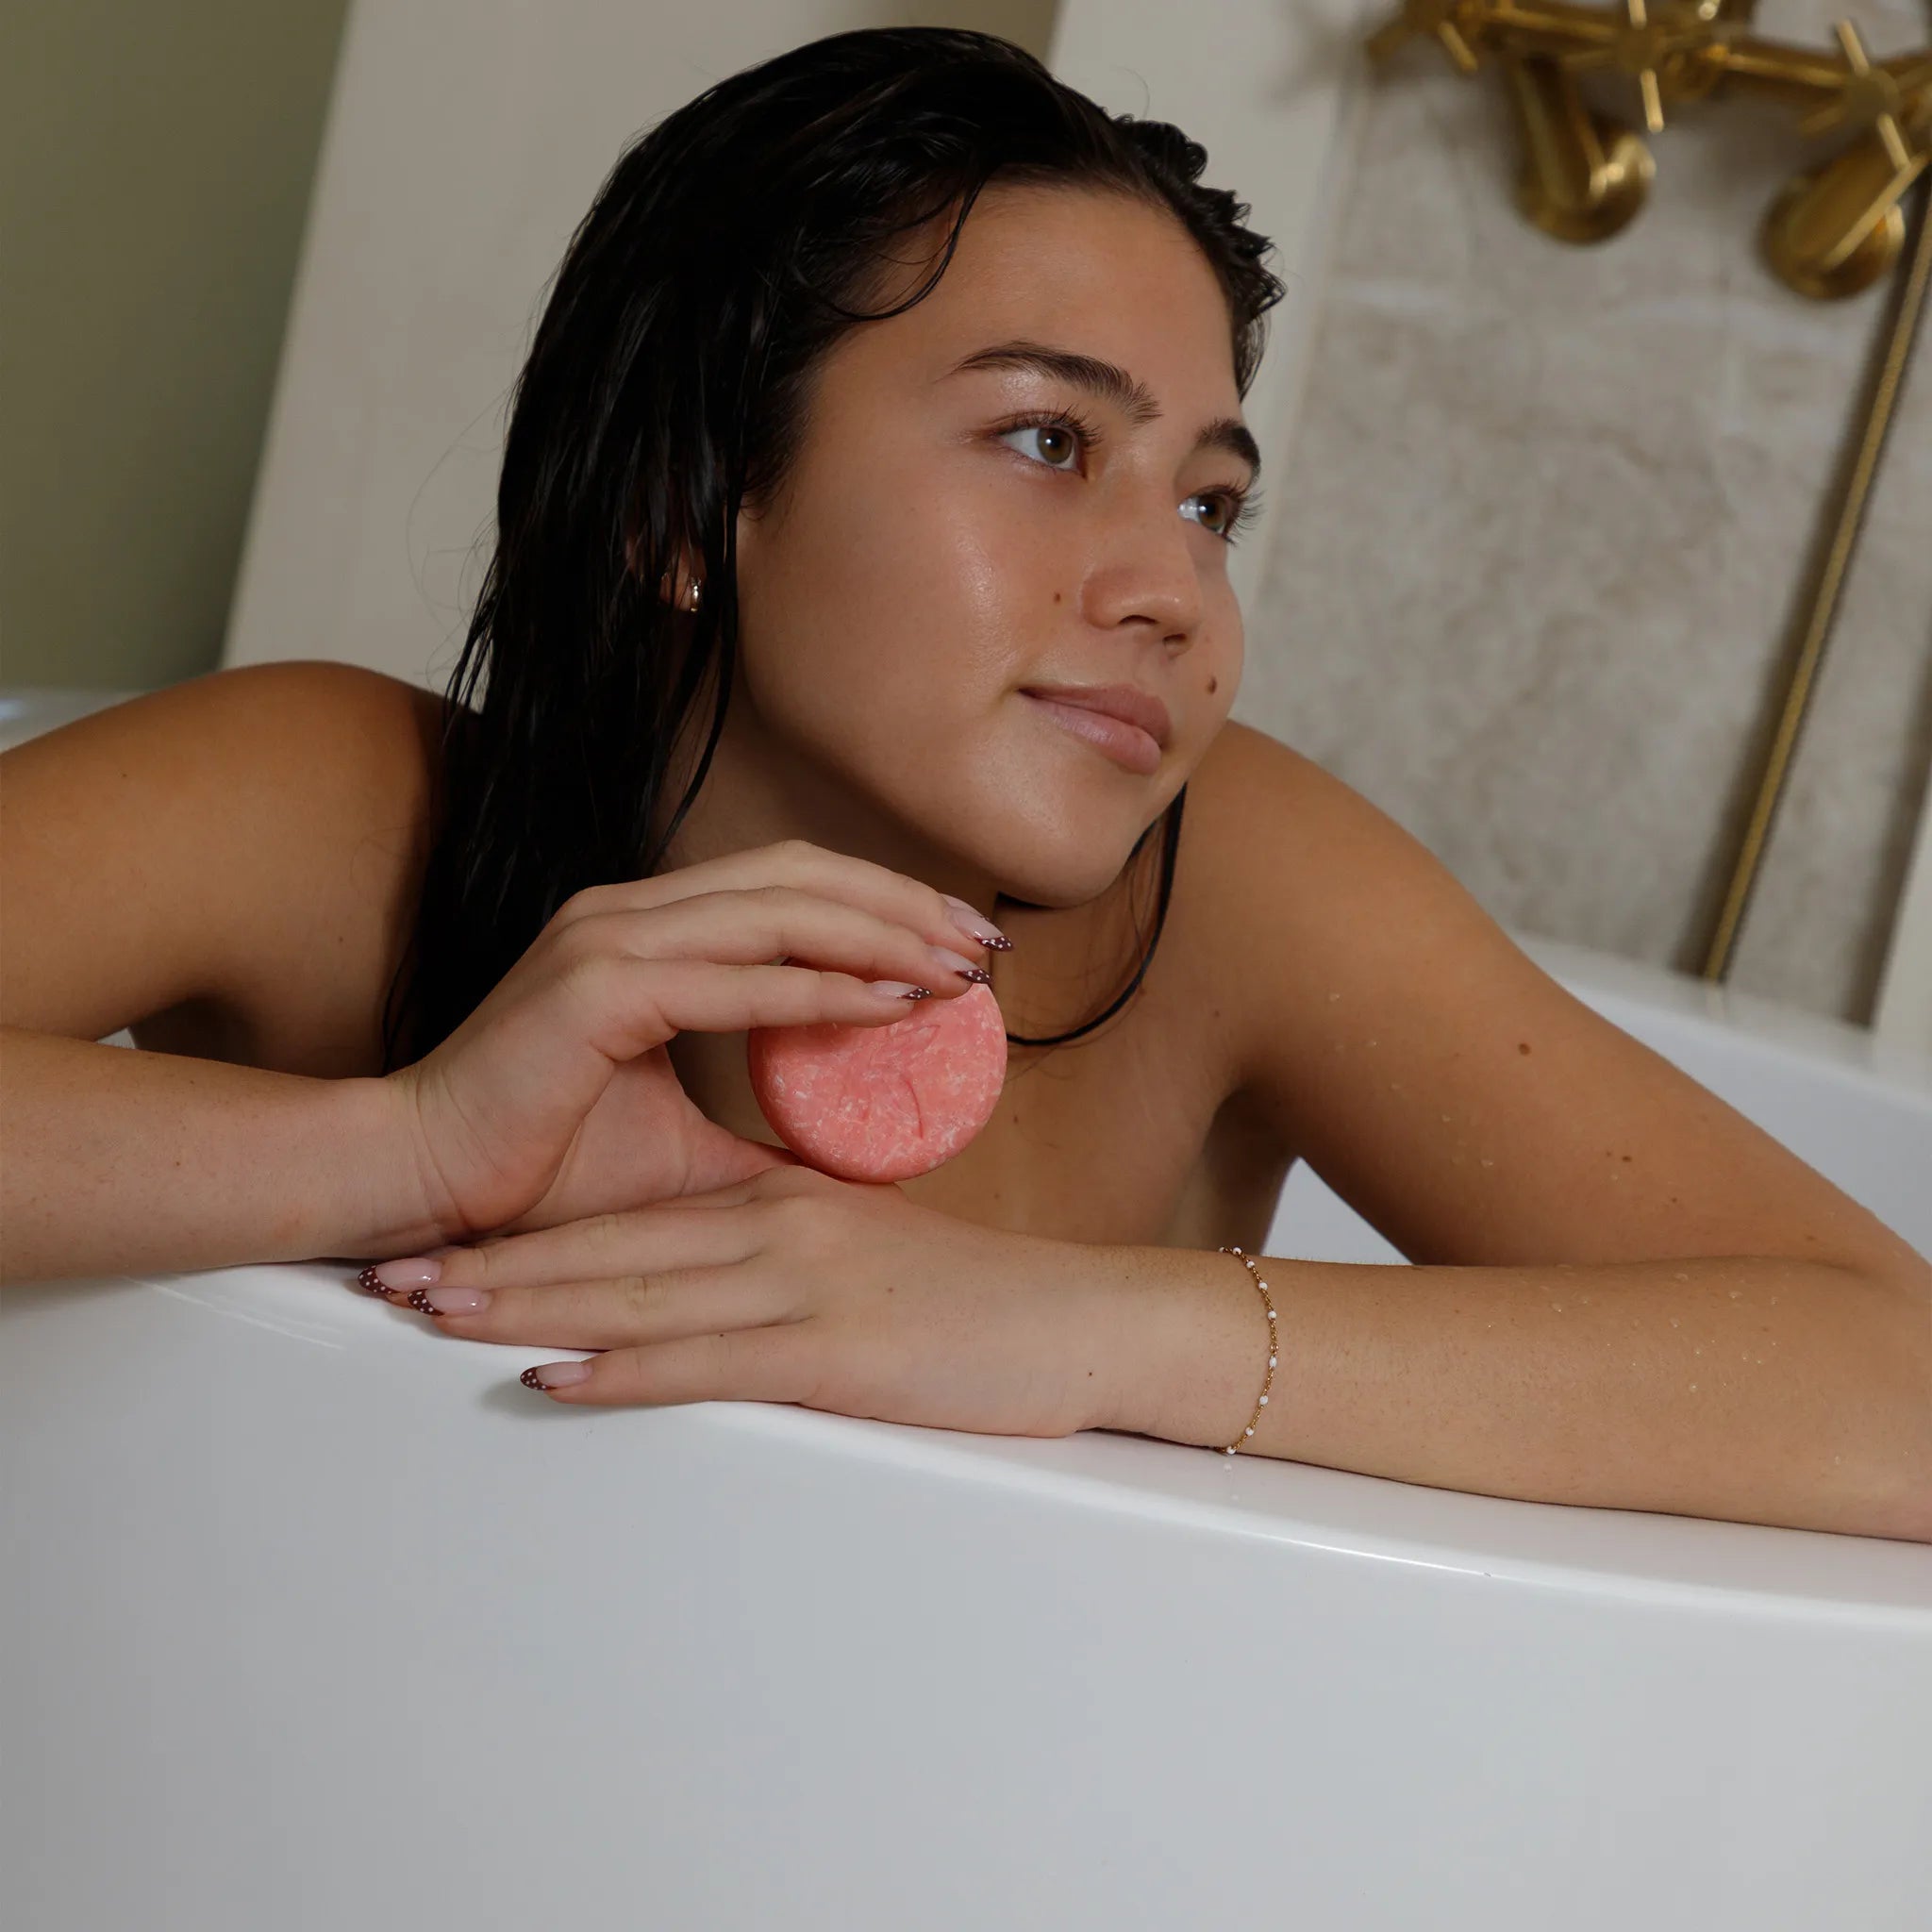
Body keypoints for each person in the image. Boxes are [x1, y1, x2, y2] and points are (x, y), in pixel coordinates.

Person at [2, 28, 1925, 1541]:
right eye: (1039, 435)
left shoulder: (1229, 886)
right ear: (688, 502)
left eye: (1210, 499)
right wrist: (400, 1146)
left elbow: (1898, 1388)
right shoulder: (339, 807)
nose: (1172, 586)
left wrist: (1072, 1324)